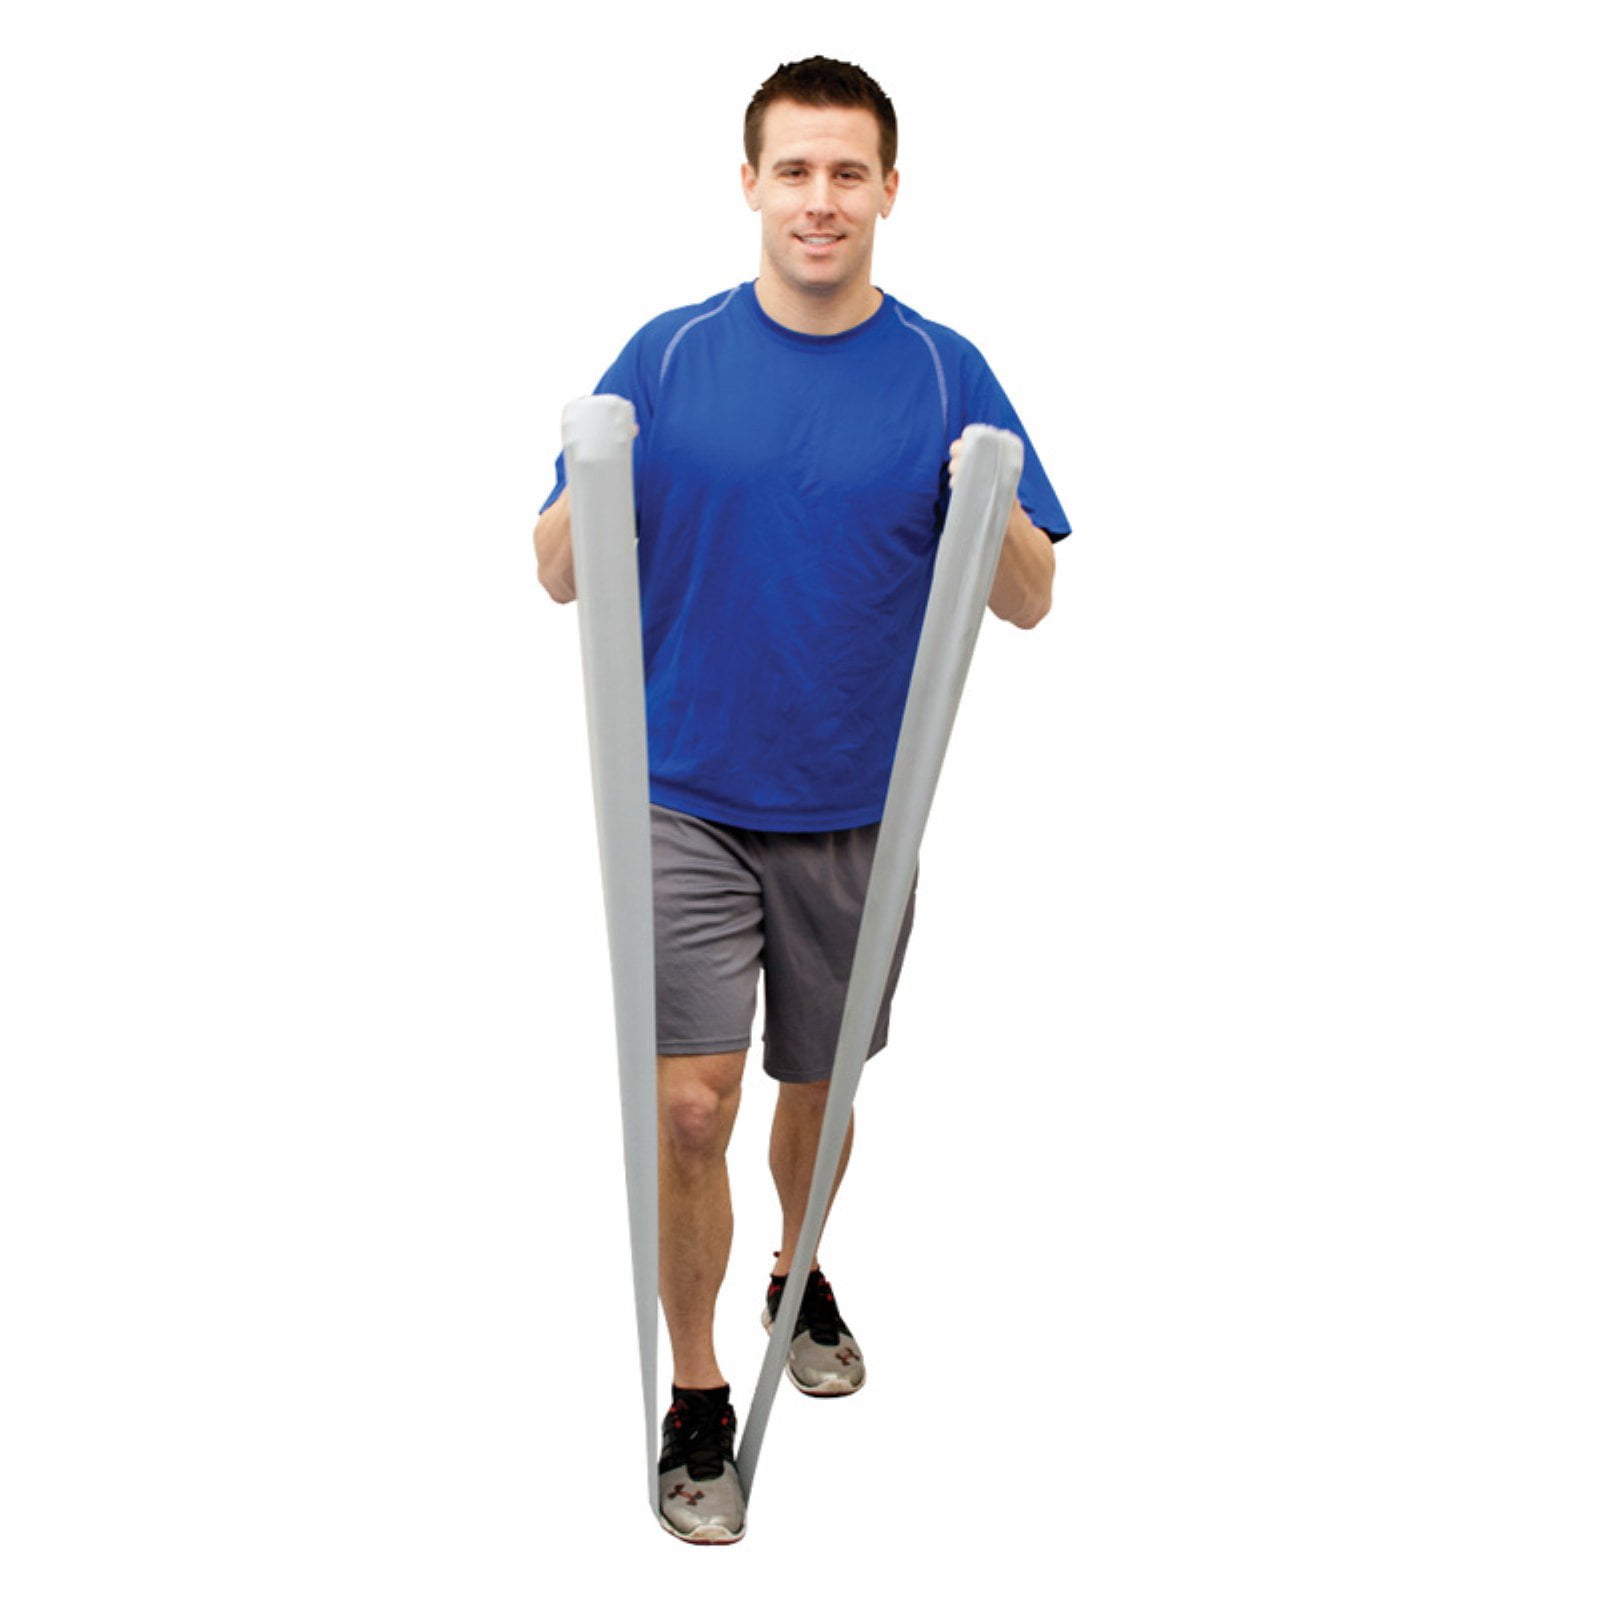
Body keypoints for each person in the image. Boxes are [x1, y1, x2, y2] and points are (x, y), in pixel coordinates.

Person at [533, 57, 1070, 1543]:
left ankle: (796, 1268)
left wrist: (987, 495)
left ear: (888, 188)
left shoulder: (947, 372)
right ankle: (698, 1392)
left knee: (817, 1098)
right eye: (794, 171)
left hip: (858, 805)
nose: (819, 200)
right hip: (684, 795)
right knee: (690, 1104)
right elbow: (557, 570)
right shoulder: (668, 355)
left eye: (846, 173)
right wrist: (592, 470)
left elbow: (1031, 597)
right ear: (750, 185)